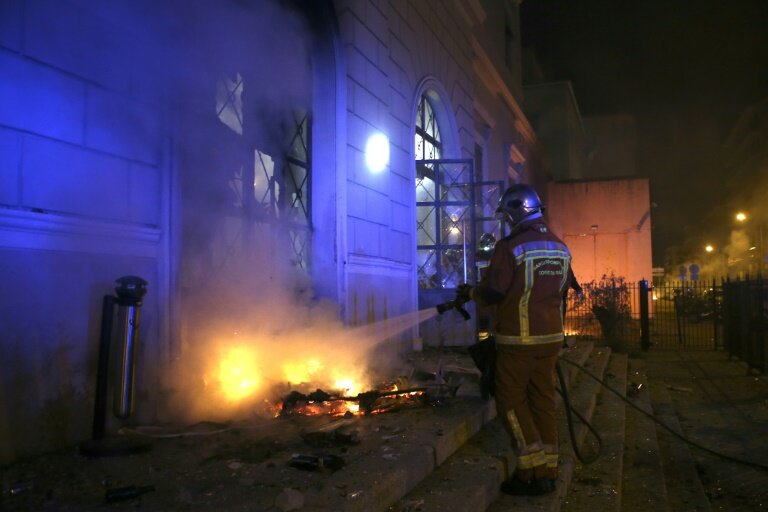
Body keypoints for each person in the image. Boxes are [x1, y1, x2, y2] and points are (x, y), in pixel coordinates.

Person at [456, 183, 575, 496]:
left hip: (519, 342)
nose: (506, 221)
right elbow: (563, 290)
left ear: (514, 211)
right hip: (550, 341)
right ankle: (548, 470)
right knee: (543, 402)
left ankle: (529, 472)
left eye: (507, 214)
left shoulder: (510, 247)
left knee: (510, 402)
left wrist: (471, 292)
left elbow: (494, 292)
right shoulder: (560, 247)